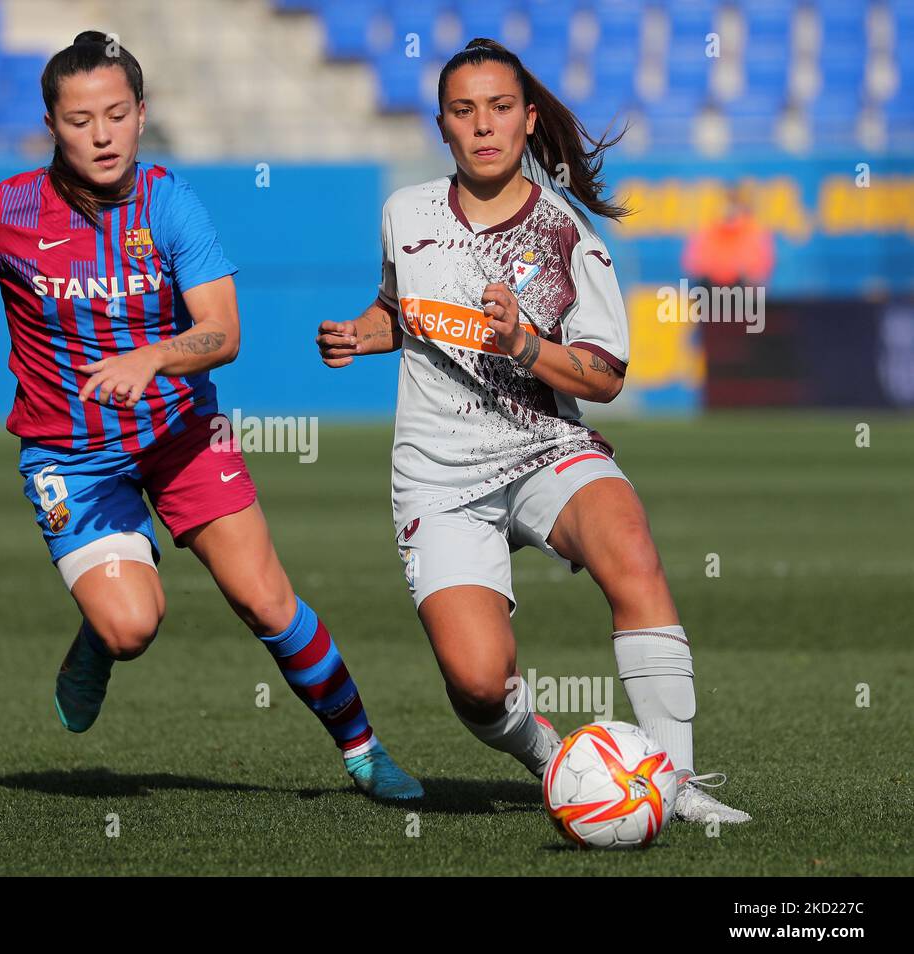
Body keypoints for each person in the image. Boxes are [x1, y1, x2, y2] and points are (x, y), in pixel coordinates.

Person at [0, 32, 421, 800]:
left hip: (180, 437)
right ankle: (99, 638)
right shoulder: (8, 211)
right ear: (51, 124)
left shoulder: (170, 203)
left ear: (142, 113)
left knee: (266, 600)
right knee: (133, 626)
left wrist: (151, 359)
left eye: (115, 114)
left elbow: (224, 333)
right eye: (78, 120)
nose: (100, 135)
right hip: (71, 457)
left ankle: (364, 751)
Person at [315, 38, 750, 824]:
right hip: (439, 476)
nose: (483, 125)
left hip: (546, 449)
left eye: (500, 107)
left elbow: (607, 377)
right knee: (479, 683)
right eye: (463, 110)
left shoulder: (565, 236)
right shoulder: (404, 212)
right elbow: (401, 310)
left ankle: (675, 784)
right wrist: (360, 331)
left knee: (632, 550)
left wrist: (525, 345)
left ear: (528, 120)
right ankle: (548, 755)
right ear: (443, 124)